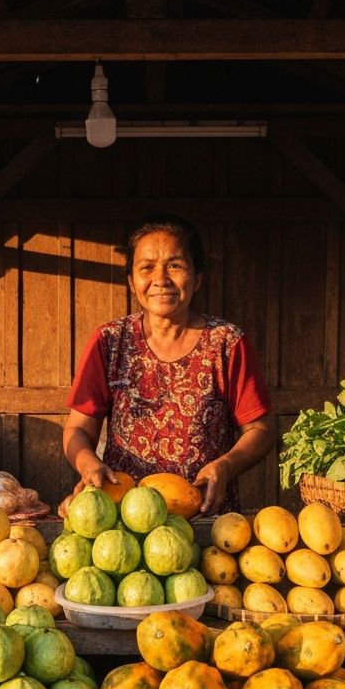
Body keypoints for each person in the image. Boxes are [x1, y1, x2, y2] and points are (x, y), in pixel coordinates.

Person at [63, 214, 275, 516]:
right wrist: (88, 464)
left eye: (175, 265)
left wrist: (225, 466)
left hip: (207, 518)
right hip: (125, 517)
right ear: (131, 280)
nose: (160, 279)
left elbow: (261, 429)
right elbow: (78, 428)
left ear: (197, 278)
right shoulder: (109, 341)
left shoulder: (226, 342)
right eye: (147, 267)